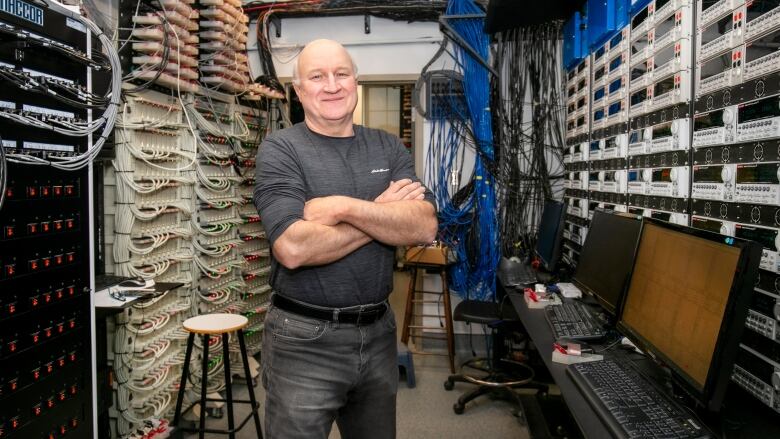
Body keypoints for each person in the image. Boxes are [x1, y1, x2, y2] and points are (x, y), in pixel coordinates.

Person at [253, 39, 438, 439]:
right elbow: (293, 248)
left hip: (377, 334)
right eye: (317, 77)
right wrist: (380, 212)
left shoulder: (388, 146)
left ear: (356, 81)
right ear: (299, 92)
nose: (331, 85)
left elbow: (423, 226)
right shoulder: (281, 150)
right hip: (303, 339)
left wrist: (341, 207)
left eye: (341, 74)